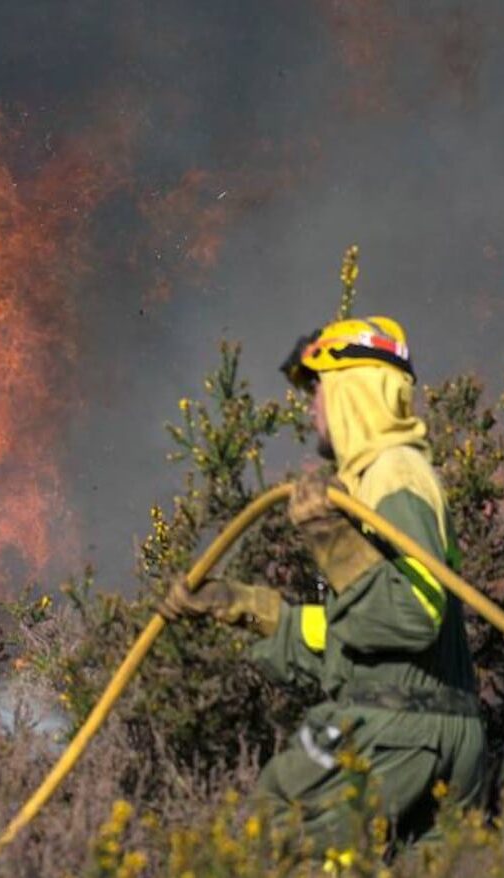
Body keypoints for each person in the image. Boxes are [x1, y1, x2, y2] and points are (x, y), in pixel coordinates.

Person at [163, 316, 484, 847]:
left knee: (280, 819)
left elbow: (413, 616)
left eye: (318, 388)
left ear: (353, 391)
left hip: (398, 728)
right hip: (431, 727)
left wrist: (333, 542)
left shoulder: (393, 475)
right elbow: (357, 639)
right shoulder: (378, 478)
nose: (311, 406)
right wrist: (245, 606)